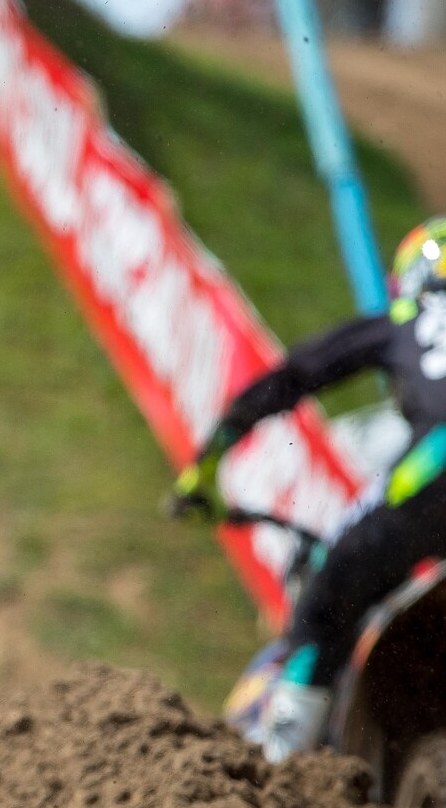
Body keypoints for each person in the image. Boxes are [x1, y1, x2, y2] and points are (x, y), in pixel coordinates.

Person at [172, 216, 446, 761]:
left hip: (434, 466)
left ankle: (279, 769)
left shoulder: (408, 317)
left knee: (328, 596)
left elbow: (298, 373)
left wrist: (206, 466)